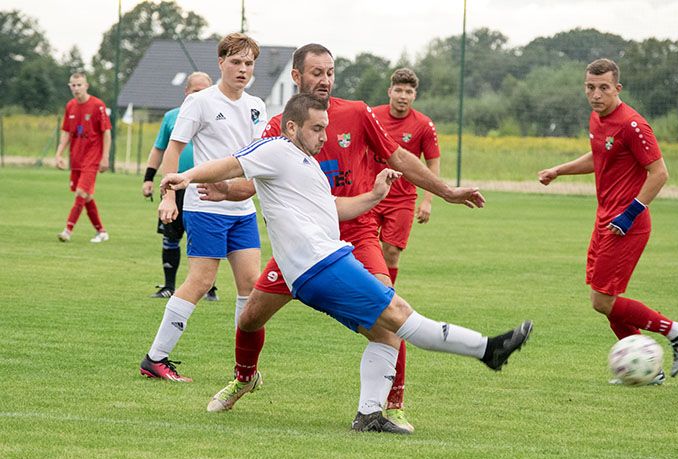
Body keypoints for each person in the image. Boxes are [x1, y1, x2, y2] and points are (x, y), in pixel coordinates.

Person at [160, 92, 533, 433]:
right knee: (401, 317)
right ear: (292, 127)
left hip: (318, 265)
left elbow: (334, 208)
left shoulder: (306, 165)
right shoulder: (275, 148)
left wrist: (374, 195)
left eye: (326, 128)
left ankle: (369, 414)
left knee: (383, 334)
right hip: (321, 265)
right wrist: (187, 176)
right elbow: (231, 164)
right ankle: (489, 350)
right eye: (316, 128)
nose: (324, 136)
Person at [197, 44, 483, 433]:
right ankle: (245, 377)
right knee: (249, 318)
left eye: (330, 72)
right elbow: (250, 180)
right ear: (296, 77)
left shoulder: (356, 112)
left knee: (390, 314)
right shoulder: (281, 125)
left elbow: (399, 157)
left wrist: (446, 191)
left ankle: (390, 405)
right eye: (317, 72)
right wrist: (225, 190)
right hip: (300, 247)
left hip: (358, 234)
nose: (326, 80)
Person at [537, 58, 678, 384]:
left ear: (617, 88)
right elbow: (598, 157)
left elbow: (660, 173)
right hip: (605, 220)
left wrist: (630, 214)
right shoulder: (597, 119)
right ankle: (648, 371)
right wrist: (559, 170)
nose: (596, 94)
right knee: (604, 301)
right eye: (590, 87)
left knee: (602, 300)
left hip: (627, 223)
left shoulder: (633, 125)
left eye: (603, 88)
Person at [139, 33, 267, 382]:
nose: (242, 69)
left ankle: (244, 368)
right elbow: (173, 150)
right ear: (221, 62)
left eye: (249, 63)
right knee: (200, 281)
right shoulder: (200, 102)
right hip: (205, 206)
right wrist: (168, 196)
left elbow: (258, 158)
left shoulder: (257, 105)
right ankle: (156, 357)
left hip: (242, 208)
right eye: (236, 62)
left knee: (250, 285)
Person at [369, 67, 440, 423]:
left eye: (408, 92)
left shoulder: (423, 125)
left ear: (415, 95)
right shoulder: (373, 116)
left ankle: (386, 286)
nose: (402, 96)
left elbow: (431, 163)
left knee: (392, 250)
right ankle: (377, 282)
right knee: (366, 246)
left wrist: (428, 200)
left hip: (401, 200)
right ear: (390, 91)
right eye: (398, 90)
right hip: (373, 193)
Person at [141, 71, 219, 300]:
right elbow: (160, 149)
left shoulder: (218, 117)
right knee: (171, 235)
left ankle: (209, 288)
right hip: (175, 185)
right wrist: (148, 178)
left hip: (205, 186)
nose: (200, 95)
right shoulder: (172, 117)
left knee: (205, 237)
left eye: (205, 90)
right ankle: (168, 286)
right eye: (196, 91)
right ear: (186, 92)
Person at [55, 72, 112, 243]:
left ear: (86, 86)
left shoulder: (97, 105)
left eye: (79, 85)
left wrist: (105, 157)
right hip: (76, 159)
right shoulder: (70, 106)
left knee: (81, 192)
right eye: (73, 85)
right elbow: (66, 132)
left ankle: (68, 230)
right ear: (70, 86)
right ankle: (101, 232)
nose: (76, 88)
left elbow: (106, 132)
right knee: (86, 196)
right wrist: (59, 153)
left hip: (92, 158)